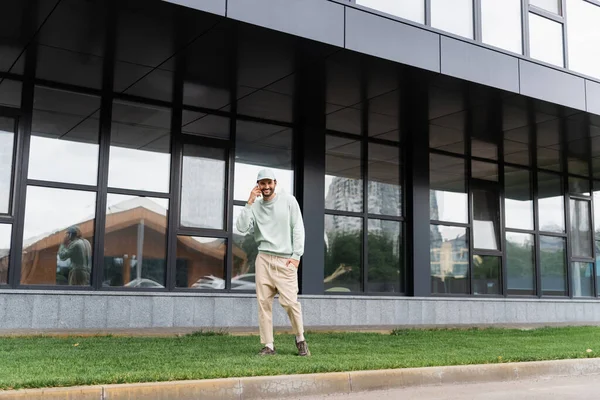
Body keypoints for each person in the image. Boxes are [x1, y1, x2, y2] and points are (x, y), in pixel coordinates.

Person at [236, 168, 309, 356]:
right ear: (258, 185)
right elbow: (242, 228)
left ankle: (300, 339)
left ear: (275, 183)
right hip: (264, 259)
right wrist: (250, 202)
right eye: (262, 183)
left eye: (269, 183)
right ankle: (268, 345)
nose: (266, 186)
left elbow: (298, 229)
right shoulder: (256, 206)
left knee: (291, 302)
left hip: (285, 259)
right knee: (263, 303)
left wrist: (296, 257)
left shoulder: (289, 201)